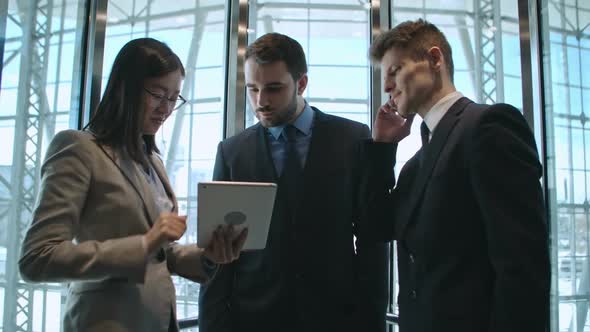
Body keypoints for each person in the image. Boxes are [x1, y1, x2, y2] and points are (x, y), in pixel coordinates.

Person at [18, 38, 247, 332]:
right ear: (125, 89)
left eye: (174, 97)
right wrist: (144, 243)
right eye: (158, 94)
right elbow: (37, 258)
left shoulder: (151, 159)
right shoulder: (78, 148)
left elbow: (161, 253)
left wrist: (207, 257)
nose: (166, 108)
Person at [363, 19, 550, 332]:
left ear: (434, 60)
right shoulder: (416, 163)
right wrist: (382, 150)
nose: (386, 87)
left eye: (395, 70)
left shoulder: (488, 127)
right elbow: (376, 226)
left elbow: (523, 265)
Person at [198, 33, 388, 332]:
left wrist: (372, 320)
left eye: (273, 89)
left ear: (301, 84)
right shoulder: (233, 151)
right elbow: (220, 254)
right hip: (254, 319)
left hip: (336, 317)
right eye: (252, 89)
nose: (261, 102)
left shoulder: (351, 138)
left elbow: (371, 241)